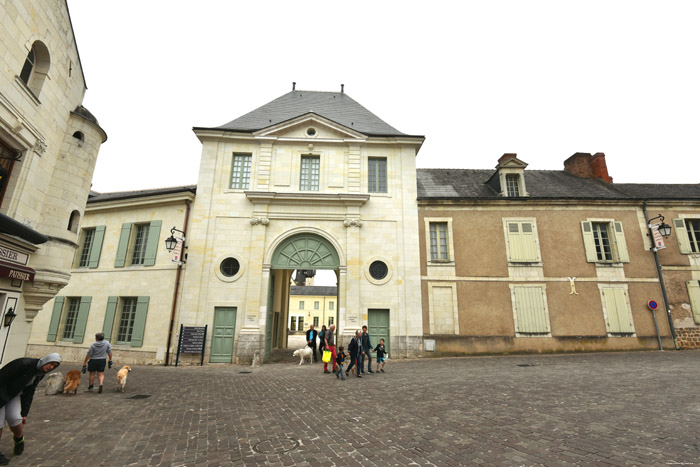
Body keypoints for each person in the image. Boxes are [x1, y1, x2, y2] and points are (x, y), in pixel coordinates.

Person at [0, 353, 61, 464]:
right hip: (1, 393)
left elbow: (30, 391)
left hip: (14, 395)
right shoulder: (23, 364)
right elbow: (2, 377)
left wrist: (24, 412)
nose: (51, 367)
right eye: (51, 363)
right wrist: (3, 399)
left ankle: (19, 439)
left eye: (54, 366)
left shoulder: (40, 373)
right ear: (45, 360)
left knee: (15, 419)